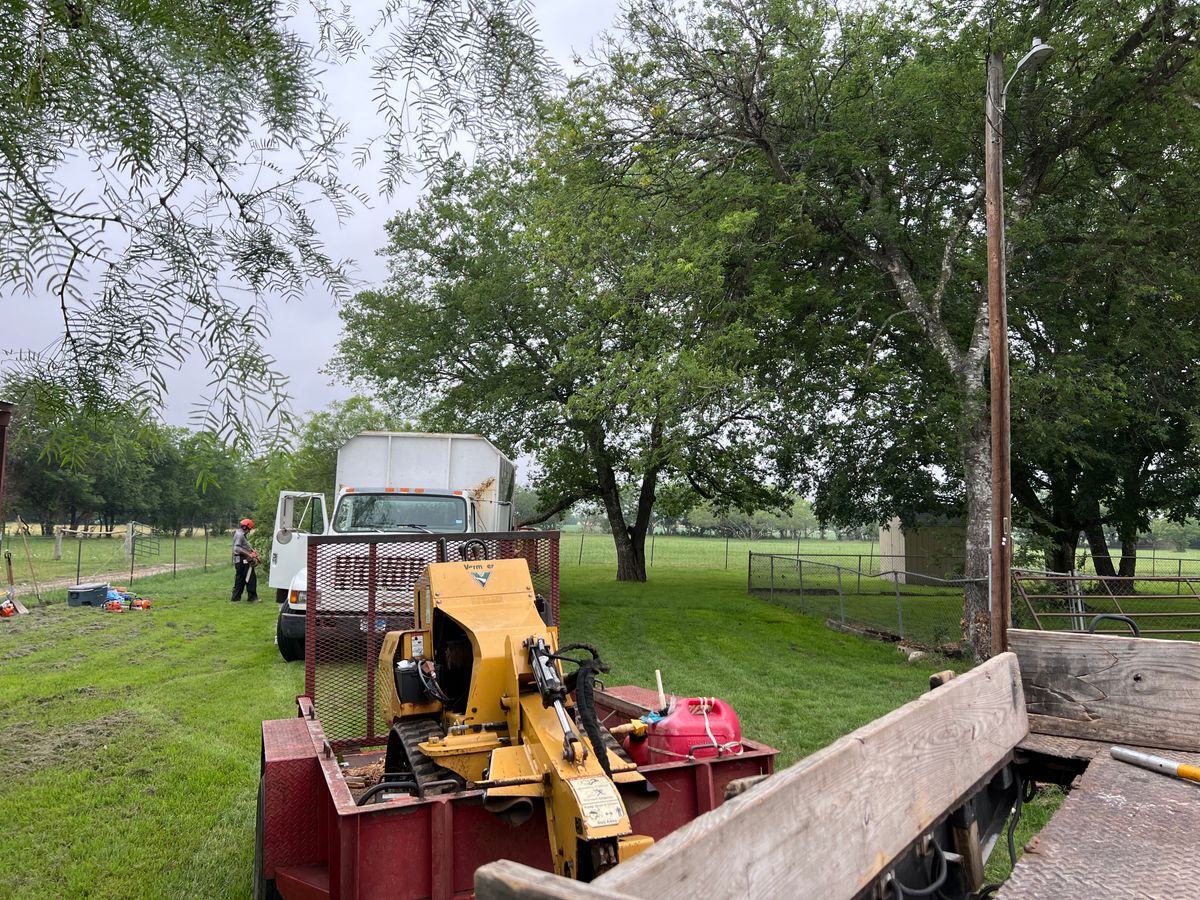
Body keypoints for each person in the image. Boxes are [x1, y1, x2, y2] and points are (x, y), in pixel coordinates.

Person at [231, 518, 260, 602]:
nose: (249, 531)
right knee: (251, 578)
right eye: (249, 529)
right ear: (245, 527)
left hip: (239, 560)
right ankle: (252, 598)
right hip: (243, 560)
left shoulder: (238, 533)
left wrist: (252, 551)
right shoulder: (240, 535)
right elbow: (237, 548)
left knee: (240, 579)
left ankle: (235, 598)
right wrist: (250, 554)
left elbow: (241, 547)